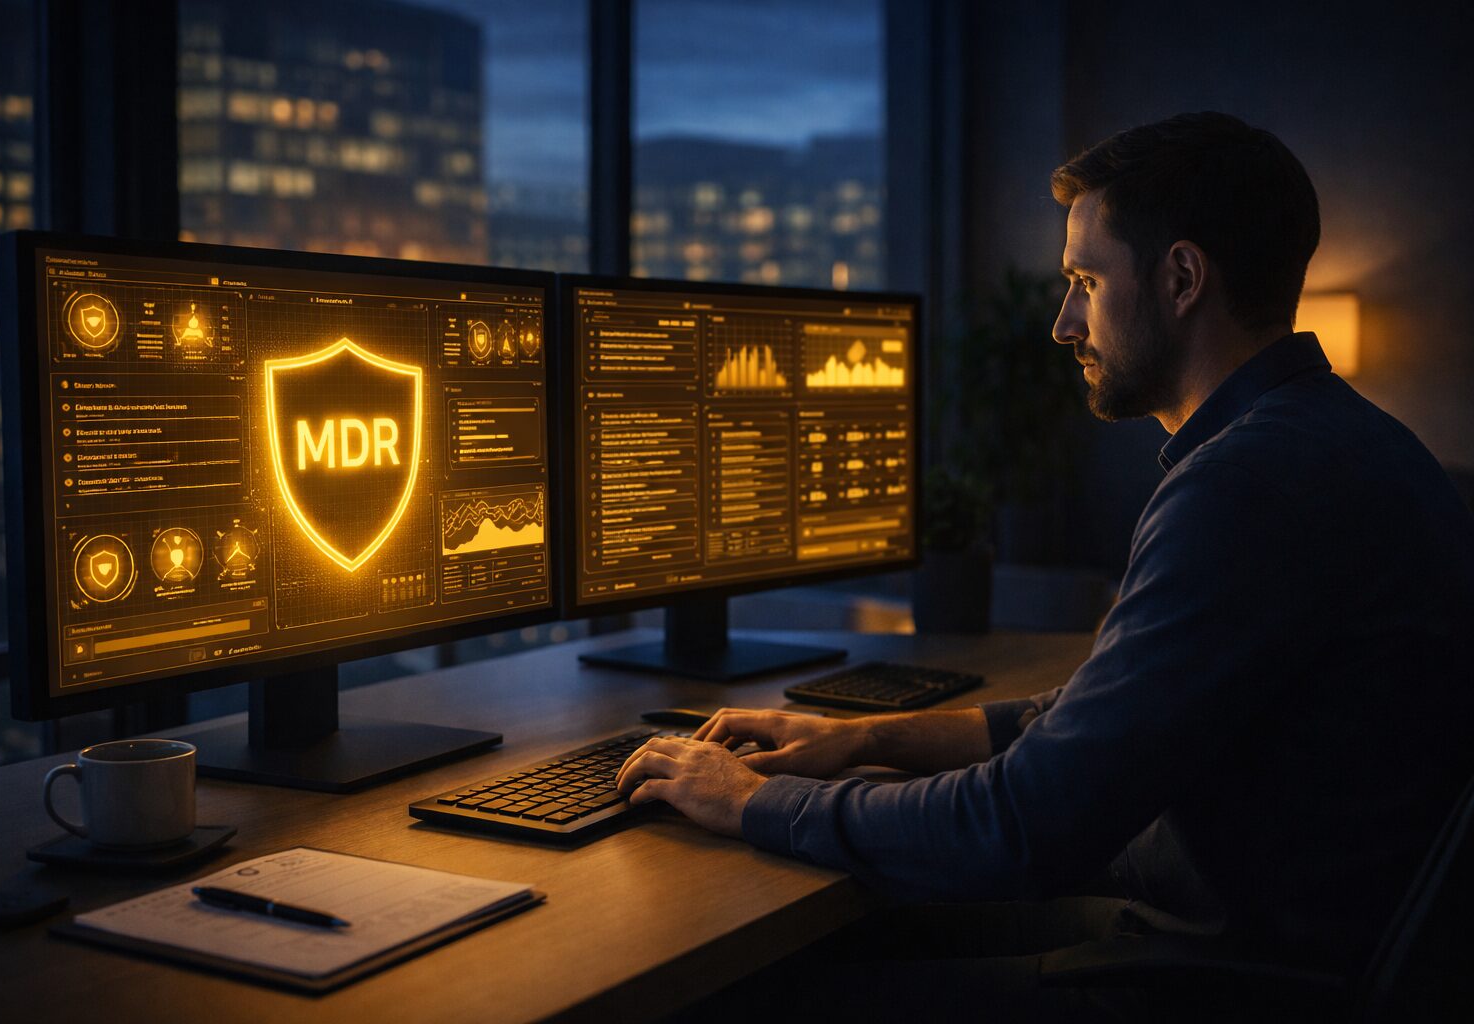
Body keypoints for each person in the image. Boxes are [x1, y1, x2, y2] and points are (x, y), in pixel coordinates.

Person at [616, 112, 1474, 1017]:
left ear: (1182, 279)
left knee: (752, 991)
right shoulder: (1337, 444)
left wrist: (752, 801)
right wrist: (866, 740)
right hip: (1265, 938)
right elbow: (1089, 723)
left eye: (1084, 280)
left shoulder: (1248, 486)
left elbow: (1024, 826)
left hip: (1227, 980)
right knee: (853, 927)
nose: (1064, 323)